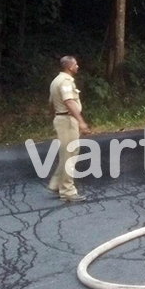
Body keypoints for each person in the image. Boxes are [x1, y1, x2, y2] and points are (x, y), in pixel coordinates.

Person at [48, 56, 90, 202]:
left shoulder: (56, 81)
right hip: (67, 120)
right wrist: (81, 122)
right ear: (70, 67)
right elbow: (69, 102)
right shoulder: (65, 82)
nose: (77, 66)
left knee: (67, 153)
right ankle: (68, 191)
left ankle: (56, 184)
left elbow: (51, 103)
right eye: (76, 64)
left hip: (60, 118)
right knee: (70, 156)